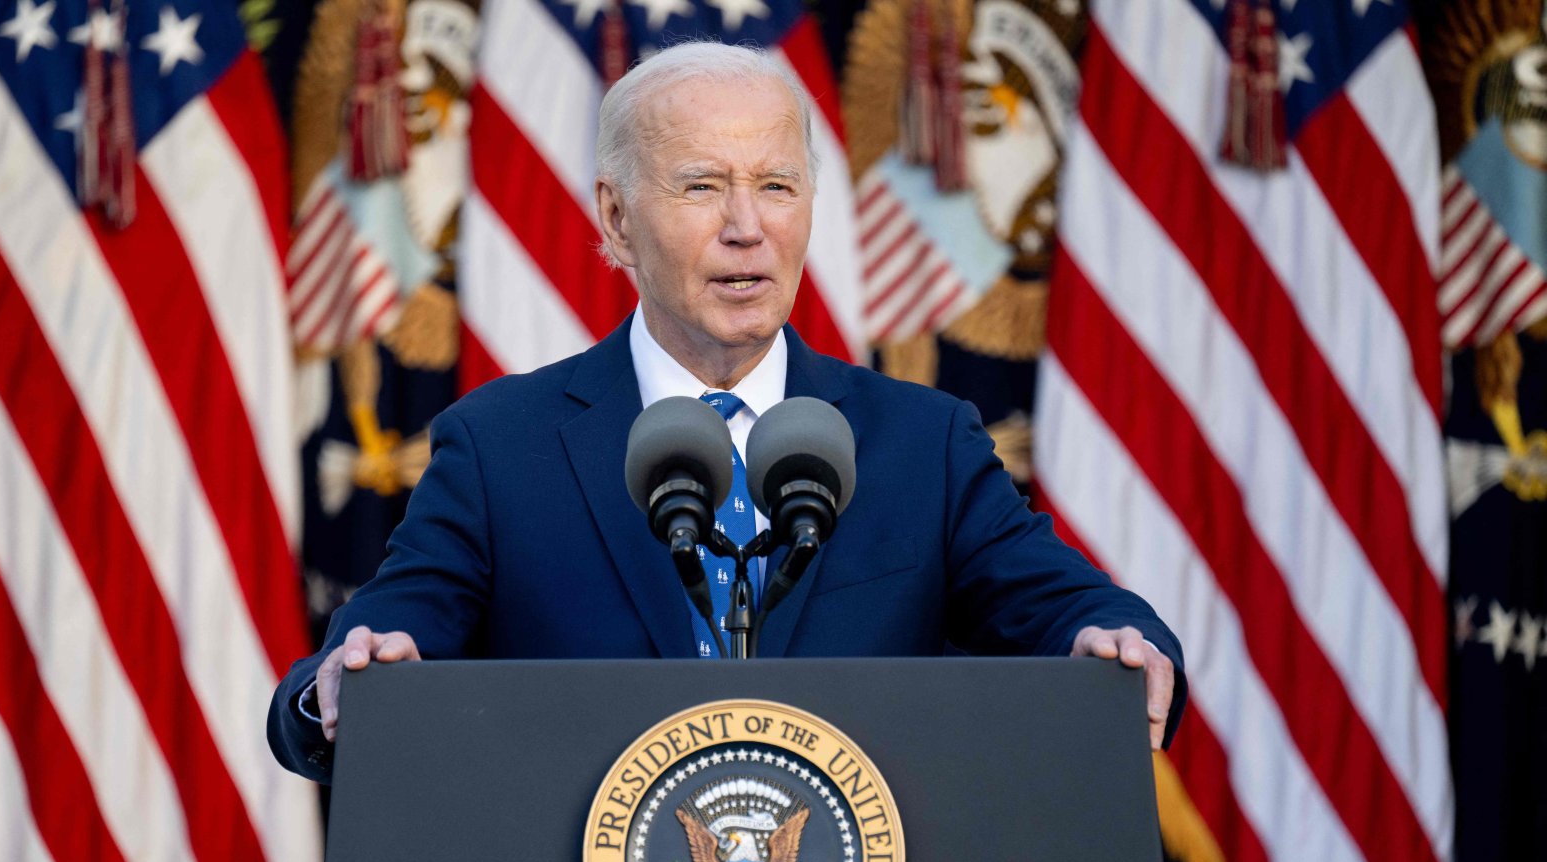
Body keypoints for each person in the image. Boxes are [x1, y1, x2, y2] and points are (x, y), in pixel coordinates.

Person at [268, 42, 1186, 784]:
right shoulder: (502, 446)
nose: (748, 226)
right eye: (702, 186)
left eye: (777, 186)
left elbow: (1073, 607)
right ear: (617, 220)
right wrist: (350, 682)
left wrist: (1114, 637)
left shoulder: (923, 444)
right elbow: (384, 636)